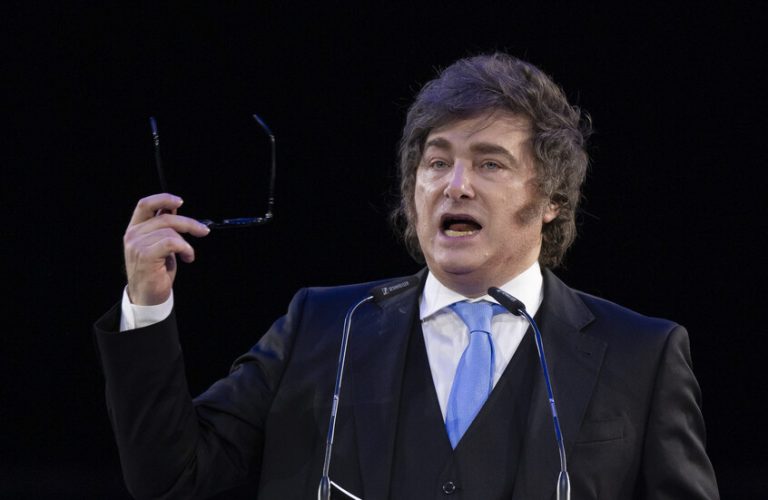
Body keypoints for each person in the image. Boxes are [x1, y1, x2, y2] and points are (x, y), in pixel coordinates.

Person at [95, 53, 719, 499]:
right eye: (437, 162)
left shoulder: (641, 354)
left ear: (552, 197)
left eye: (490, 164)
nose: (455, 185)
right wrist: (146, 304)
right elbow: (171, 477)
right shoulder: (322, 326)